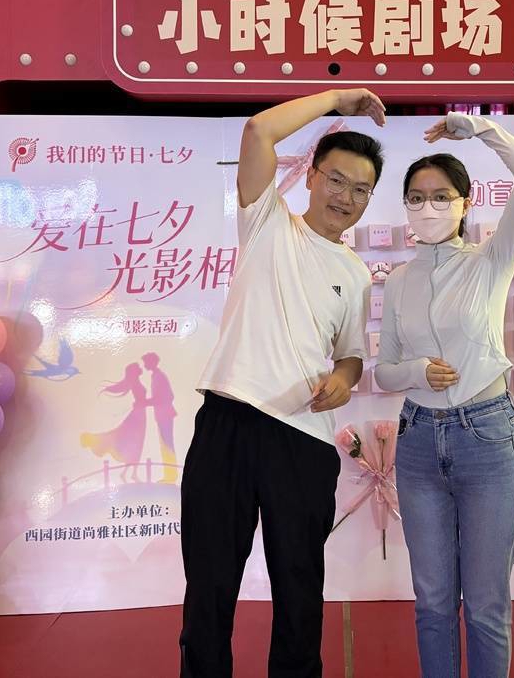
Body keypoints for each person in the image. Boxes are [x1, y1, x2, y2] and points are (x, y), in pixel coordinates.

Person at [180, 89, 386, 677]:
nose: (345, 197)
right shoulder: (267, 223)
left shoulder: (355, 272)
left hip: (304, 439)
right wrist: (339, 98)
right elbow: (258, 132)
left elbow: (351, 354)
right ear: (311, 177)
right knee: (210, 581)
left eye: (361, 189)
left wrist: (344, 378)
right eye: (336, 180)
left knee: (299, 586)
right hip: (228, 423)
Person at [374, 113, 514, 677]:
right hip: (419, 443)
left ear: (465, 203)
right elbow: (384, 372)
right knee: (433, 603)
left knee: (487, 605)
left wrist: (479, 129)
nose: (428, 208)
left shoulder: (490, 262)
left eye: (441, 196)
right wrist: (417, 371)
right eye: (416, 198)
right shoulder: (398, 281)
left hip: (485, 437)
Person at [79, 362, 150, 482]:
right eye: (138, 367)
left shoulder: (136, 382)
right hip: (138, 416)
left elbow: (141, 401)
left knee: (136, 443)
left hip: (140, 415)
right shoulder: (135, 383)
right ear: (134, 371)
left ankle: (129, 473)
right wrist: (151, 402)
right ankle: (132, 473)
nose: (140, 368)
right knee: (134, 442)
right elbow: (141, 401)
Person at [142, 352, 179, 483]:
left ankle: (170, 476)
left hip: (165, 415)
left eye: (146, 362)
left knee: (167, 445)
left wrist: (145, 402)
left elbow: (168, 396)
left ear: (152, 362)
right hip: (163, 415)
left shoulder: (159, 377)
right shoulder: (156, 376)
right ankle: (170, 475)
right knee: (166, 444)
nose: (144, 365)